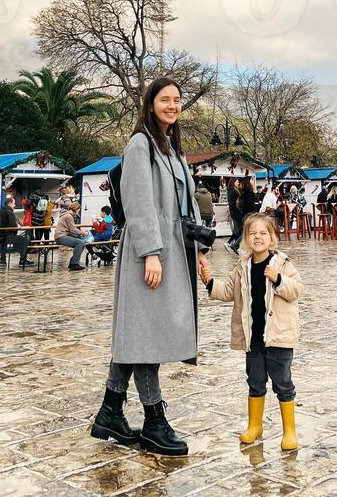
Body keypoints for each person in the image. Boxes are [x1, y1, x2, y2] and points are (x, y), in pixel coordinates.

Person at [92, 77, 209, 457]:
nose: (172, 106)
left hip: (175, 249)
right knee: (146, 332)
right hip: (152, 251)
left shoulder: (172, 149)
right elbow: (140, 201)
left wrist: (198, 248)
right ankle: (154, 418)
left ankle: (110, 410)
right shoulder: (140, 145)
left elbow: (185, 206)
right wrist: (151, 253)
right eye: (165, 99)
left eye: (177, 100)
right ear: (150, 103)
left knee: (139, 329)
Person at [200, 213, 302, 452]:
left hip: (278, 337)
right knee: (255, 382)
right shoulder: (242, 266)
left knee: (283, 383)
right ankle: (254, 425)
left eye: (263, 233)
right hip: (253, 338)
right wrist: (208, 281)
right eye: (252, 233)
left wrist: (278, 280)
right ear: (245, 239)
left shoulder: (283, 264)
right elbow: (228, 291)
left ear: (273, 238)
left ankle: (290, 430)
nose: (258, 237)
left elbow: (296, 289)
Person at [0, 195, 33, 267]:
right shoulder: (9, 212)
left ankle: (3, 261)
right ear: (10, 203)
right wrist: (15, 233)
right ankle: (22, 260)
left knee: (13, 239)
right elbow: (14, 227)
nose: (14, 205)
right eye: (14, 203)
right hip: (4, 237)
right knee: (25, 240)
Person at [54, 201, 88, 271]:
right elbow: (73, 230)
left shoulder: (68, 215)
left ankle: (73, 262)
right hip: (61, 236)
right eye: (79, 210)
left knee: (82, 242)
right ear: (76, 209)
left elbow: (71, 230)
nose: (79, 212)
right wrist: (83, 233)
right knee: (80, 243)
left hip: (62, 236)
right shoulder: (68, 216)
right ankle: (74, 264)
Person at [234, 177, 257, 250]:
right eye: (251, 180)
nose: (253, 182)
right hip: (249, 214)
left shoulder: (243, 191)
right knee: (248, 231)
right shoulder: (248, 191)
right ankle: (236, 244)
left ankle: (246, 246)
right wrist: (255, 207)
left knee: (248, 231)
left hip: (245, 213)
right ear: (248, 182)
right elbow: (249, 204)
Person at [225, 179, 243, 255]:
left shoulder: (231, 191)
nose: (238, 182)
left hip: (234, 212)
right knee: (239, 230)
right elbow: (238, 203)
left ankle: (235, 246)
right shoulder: (234, 191)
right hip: (236, 213)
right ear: (233, 182)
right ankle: (229, 243)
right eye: (237, 181)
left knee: (238, 230)